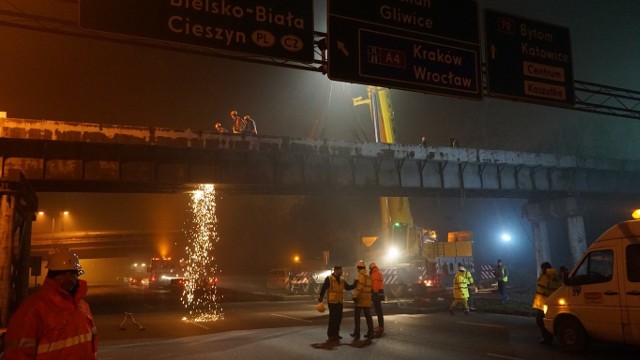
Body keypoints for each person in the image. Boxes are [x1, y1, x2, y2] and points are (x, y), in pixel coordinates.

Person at [4, 250, 98, 359]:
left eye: (73, 272)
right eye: (63, 273)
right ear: (51, 276)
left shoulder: (83, 307)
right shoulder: (33, 308)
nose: (69, 278)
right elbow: (18, 353)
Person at [317, 265, 356, 342]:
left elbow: (348, 287)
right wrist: (321, 297)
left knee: (339, 318)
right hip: (332, 301)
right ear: (336, 270)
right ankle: (331, 334)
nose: (341, 272)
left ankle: (336, 334)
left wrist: (355, 284)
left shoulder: (342, 279)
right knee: (332, 318)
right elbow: (324, 288)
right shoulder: (329, 278)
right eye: (340, 270)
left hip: (339, 301)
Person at [532, 262, 563, 345]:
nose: (541, 270)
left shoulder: (547, 275)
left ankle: (548, 339)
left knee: (540, 321)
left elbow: (543, 288)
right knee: (545, 321)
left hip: (545, 303)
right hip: (550, 303)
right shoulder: (555, 276)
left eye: (542, 268)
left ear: (544, 268)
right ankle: (549, 338)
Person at [351, 260, 374, 340]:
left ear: (358, 268)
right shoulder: (368, 275)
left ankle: (357, 333)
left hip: (360, 299)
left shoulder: (360, 275)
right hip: (367, 298)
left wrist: (355, 295)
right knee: (368, 316)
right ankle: (371, 333)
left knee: (357, 316)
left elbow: (359, 287)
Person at [369, 262, 385, 335]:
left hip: (376, 294)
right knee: (379, 311)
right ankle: (381, 326)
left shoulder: (374, 274)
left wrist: (374, 293)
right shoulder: (378, 272)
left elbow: (375, 284)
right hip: (380, 293)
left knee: (378, 311)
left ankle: (380, 327)